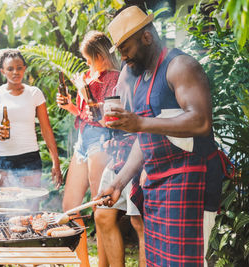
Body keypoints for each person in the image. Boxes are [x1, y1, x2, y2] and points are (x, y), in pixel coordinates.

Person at [97, 6, 224, 266]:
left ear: (146, 37)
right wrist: (119, 182)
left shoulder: (180, 66)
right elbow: (147, 140)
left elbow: (200, 121)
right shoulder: (139, 77)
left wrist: (140, 121)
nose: (123, 57)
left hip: (191, 182)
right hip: (158, 188)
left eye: (125, 48)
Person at [56, 30, 119, 267]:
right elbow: (83, 115)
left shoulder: (115, 78)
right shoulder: (87, 76)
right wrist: (71, 105)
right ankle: (84, 263)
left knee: (99, 211)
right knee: (70, 207)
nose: (87, 64)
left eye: (89, 58)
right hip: (82, 141)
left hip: (101, 142)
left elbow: (106, 121)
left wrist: (86, 93)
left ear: (101, 55)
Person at [0, 49, 62, 189]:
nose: (15, 72)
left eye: (19, 68)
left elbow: (46, 129)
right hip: (1, 160)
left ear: (24, 68)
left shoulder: (34, 93)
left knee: (30, 206)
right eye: (10, 69)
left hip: (29, 158)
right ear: (2, 71)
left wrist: (56, 161)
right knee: (2, 207)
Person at [94, 64, 146, 267]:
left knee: (139, 224)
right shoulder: (126, 71)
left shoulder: (153, 77)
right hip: (119, 156)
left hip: (143, 156)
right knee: (103, 216)